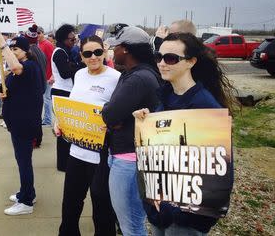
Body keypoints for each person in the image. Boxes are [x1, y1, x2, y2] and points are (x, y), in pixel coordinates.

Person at [133, 32, 237, 235]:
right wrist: (144, 124)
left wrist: (178, 213)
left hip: (185, 219)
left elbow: (219, 173)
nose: (162, 63)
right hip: (159, 209)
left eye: (171, 58)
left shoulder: (204, 106)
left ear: (191, 62)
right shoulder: (166, 97)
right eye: (158, 57)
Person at [102, 26, 163, 236]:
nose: (112, 51)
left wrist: (112, 117)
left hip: (129, 161)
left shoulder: (138, 78)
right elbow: (114, 115)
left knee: (131, 225)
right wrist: (115, 117)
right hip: (127, 156)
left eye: (115, 46)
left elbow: (109, 115)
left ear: (125, 49)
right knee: (131, 222)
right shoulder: (136, 74)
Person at [56, 35, 119, 236]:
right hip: (76, 152)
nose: (93, 57)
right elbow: (74, 108)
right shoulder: (80, 75)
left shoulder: (116, 78)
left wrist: (110, 126)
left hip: (101, 156)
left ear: (104, 52)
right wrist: (60, 122)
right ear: (81, 56)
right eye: (88, 54)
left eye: (98, 52)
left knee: (102, 209)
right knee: (70, 205)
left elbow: (121, 114)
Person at [0, 34, 45, 216]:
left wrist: (3, 44)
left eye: (16, 49)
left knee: (24, 162)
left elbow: (15, 66)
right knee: (22, 161)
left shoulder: (29, 66)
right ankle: (27, 192)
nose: (12, 52)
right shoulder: (21, 70)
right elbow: (9, 85)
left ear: (26, 51)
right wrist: (2, 93)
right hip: (17, 123)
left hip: (24, 124)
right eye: (12, 49)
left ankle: (26, 202)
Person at [51, 24, 85, 171]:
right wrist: (81, 66)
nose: (73, 42)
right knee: (63, 129)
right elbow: (65, 72)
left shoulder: (66, 52)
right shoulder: (59, 52)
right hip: (61, 92)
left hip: (65, 91)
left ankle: (65, 162)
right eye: (71, 39)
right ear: (64, 40)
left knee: (66, 128)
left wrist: (75, 63)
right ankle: (63, 164)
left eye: (75, 39)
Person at [24, 24, 47, 147]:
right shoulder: (39, 51)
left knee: (32, 117)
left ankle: (34, 140)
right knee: (37, 116)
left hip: (34, 89)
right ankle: (37, 139)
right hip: (40, 87)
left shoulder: (30, 53)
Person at [37, 26, 55, 127]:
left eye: (39, 33)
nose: (38, 35)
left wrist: (52, 75)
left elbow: (53, 61)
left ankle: (48, 120)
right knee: (43, 99)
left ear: (43, 33)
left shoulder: (47, 45)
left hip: (47, 76)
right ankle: (45, 119)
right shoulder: (38, 44)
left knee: (46, 99)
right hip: (41, 76)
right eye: (36, 33)